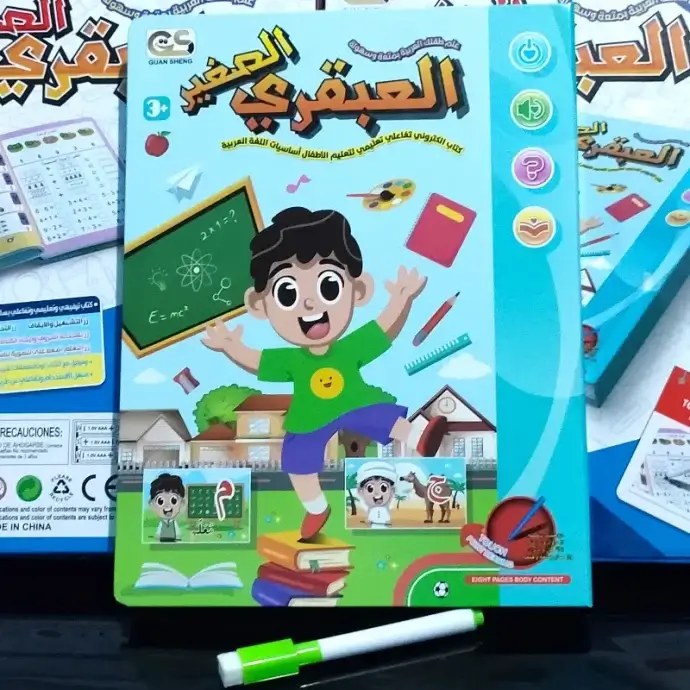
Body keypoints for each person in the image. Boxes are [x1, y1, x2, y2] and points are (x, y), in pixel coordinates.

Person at [202, 207, 449, 540]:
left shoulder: (349, 348)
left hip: (354, 402)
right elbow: (256, 361)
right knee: (297, 462)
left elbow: (384, 328)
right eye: (287, 293)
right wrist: (229, 346)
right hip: (310, 417)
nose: (309, 304)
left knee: (380, 415)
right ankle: (316, 508)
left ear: (358, 290)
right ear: (260, 305)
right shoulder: (291, 359)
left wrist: (403, 298)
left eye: (328, 287)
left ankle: (417, 437)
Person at [356, 461, 396, 529]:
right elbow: (370, 521)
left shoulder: (384, 511)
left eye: (383, 488)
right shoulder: (372, 511)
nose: (377, 493)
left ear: (392, 490)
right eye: (370, 488)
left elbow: (387, 521)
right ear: (361, 491)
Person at [148, 473, 186, 543]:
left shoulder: (174, 524)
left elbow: (177, 534)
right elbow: (158, 533)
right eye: (160, 501)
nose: (167, 506)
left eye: (173, 501)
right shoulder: (161, 524)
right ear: (151, 504)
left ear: (182, 503)